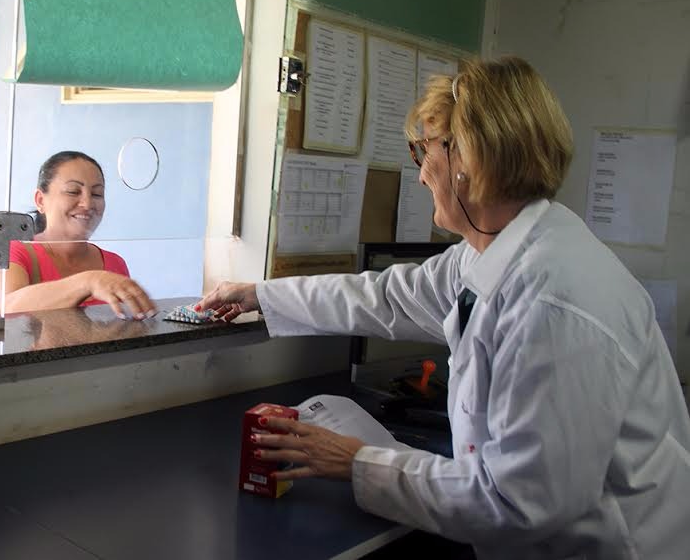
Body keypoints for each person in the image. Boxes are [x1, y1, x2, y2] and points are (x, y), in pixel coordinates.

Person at [197, 57, 690, 559]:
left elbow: (516, 503)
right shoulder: (490, 255)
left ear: (466, 159)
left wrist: (356, 461)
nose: (420, 177)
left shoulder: (554, 301)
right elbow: (380, 297)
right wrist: (260, 294)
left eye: (422, 152)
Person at [0, 151, 156, 319]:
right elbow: (1, 306)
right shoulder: (14, 251)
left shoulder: (114, 263)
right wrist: (89, 282)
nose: (87, 203)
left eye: (97, 194)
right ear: (40, 200)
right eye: (73, 191)